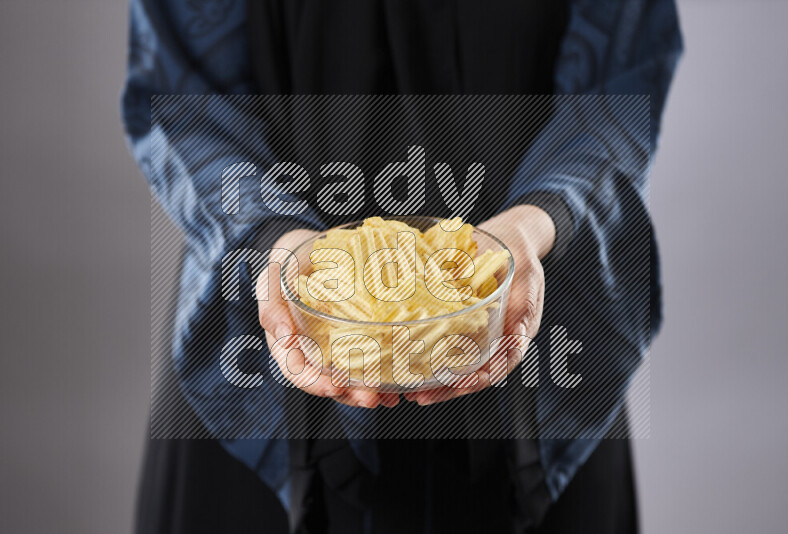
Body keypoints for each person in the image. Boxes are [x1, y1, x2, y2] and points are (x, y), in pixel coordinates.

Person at [123, 1, 682, 532]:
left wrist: (535, 224)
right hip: (261, 330)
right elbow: (184, 88)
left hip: (536, 324)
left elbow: (621, 73)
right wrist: (273, 239)